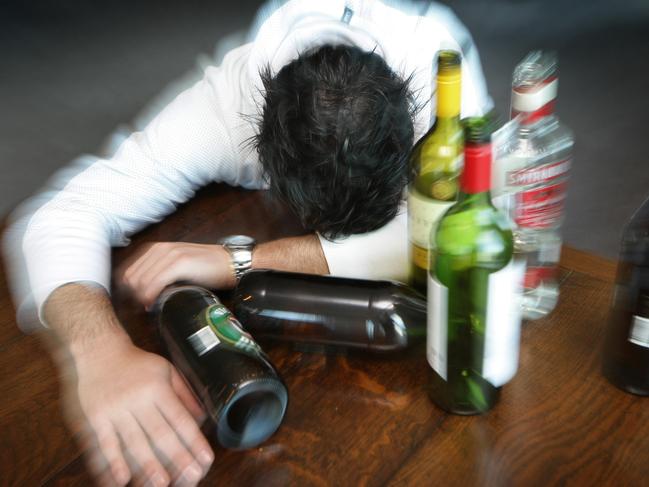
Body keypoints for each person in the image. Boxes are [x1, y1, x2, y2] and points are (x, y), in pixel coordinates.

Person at [3, 0, 491, 485]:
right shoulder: (226, 107)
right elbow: (63, 217)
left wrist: (244, 260)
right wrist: (99, 354)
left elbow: (463, 231)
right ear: (257, 147)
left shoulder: (441, 76)